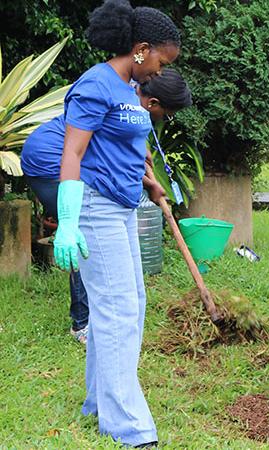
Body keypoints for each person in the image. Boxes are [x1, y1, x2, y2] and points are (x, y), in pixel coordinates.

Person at [52, 0, 182, 446]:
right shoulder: (96, 85)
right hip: (94, 206)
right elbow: (73, 153)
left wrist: (149, 185)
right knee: (118, 311)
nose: (161, 74)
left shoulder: (129, 89)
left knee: (130, 305)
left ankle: (97, 402)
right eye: (162, 62)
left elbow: (127, 148)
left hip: (123, 208)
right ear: (141, 49)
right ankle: (129, 426)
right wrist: (67, 222)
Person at [21, 69, 192, 346]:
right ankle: (82, 323)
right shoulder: (118, 101)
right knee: (84, 231)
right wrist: (148, 183)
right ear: (154, 104)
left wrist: (149, 182)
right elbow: (104, 159)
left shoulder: (134, 109)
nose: (166, 119)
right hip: (49, 160)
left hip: (68, 159)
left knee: (88, 233)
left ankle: (93, 316)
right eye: (168, 113)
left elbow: (122, 159)